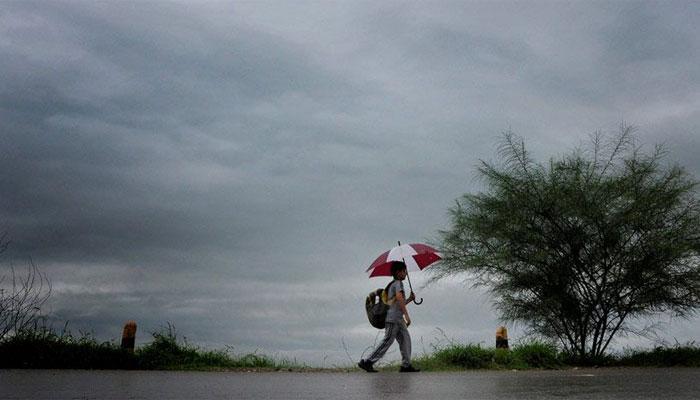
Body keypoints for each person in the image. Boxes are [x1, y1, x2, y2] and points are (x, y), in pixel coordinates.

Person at [358, 261, 420, 372]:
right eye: (404, 271)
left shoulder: (394, 285)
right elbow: (399, 298)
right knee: (387, 341)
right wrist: (407, 315)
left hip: (398, 319)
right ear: (398, 272)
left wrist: (410, 299)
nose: (406, 273)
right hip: (393, 319)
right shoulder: (398, 284)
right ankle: (368, 361)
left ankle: (406, 365)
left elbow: (397, 303)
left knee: (405, 339)